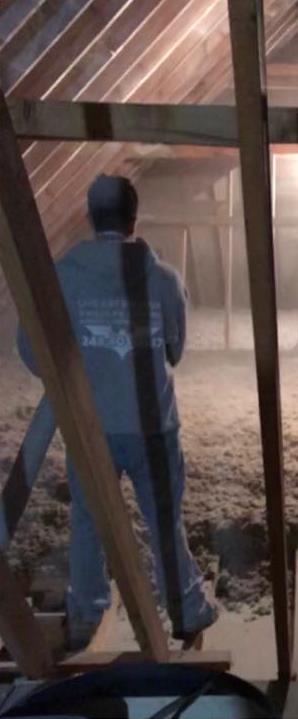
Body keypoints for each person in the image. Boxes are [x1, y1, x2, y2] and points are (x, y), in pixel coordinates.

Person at [17, 174, 217, 648]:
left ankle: (86, 612)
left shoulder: (62, 276)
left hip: (91, 426)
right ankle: (186, 609)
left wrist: (76, 371)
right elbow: (175, 349)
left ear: (87, 218)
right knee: (163, 518)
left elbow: (30, 348)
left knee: (89, 518)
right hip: (154, 428)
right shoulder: (165, 279)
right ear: (134, 218)